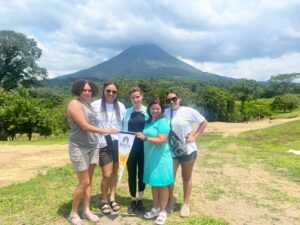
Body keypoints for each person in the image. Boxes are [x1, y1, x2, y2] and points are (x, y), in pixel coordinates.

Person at [67, 80, 117, 225]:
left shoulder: (88, 104)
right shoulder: (74, 104)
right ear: (78, 90)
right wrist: (106, 131)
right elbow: (84, 126)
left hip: (93, 146)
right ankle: (73, 213)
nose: (87, 92)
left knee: (89, 181)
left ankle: (86, 210)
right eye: (84, 90)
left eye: (89, 90)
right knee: (84, 182)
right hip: (79, 147)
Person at [164, 90, 208, 218]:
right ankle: (171, 199)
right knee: (169, 177)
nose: (171, 102)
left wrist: (195, 136)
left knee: (186, 177)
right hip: (171, 150)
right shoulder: (165, 112)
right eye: (168, 100)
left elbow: (204, 122)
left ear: (179, 98)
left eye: (174, 99)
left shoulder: (188, 111)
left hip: (188, 150)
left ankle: (185, 204)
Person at [136, 98, 173, 225]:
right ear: (149, 109)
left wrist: (145, 137)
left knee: (162, 184)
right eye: (153, 108)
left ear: (161, 109)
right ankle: (155, 208)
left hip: (161, 158)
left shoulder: (163, 122)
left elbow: (161, 139)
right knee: (154, 183)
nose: (155, 110)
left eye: (158, 108)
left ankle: (163, 211)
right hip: (150, 158)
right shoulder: (148, 122)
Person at [91, 82, 125, 215]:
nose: (111, 94)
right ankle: (104, 200)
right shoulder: (95, 105)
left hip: (118, 143)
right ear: (103, 91)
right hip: (102, 143)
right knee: (107, 174)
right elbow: (89, 122)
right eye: (108, 91)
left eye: (114, 92)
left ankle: (112, 197)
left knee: (115, 173)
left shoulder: (121, 106)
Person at [122, 87, 148, 213]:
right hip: (129, 148)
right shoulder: (126, 112)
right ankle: (133, 199)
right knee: (131, 174)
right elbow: (122, 129)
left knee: (142, 174)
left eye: (138, 97)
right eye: (133, 97)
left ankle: (141, 199)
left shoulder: (148, 111)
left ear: (142, 96)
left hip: (144, 148)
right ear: (130, 98)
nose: (135, 99)